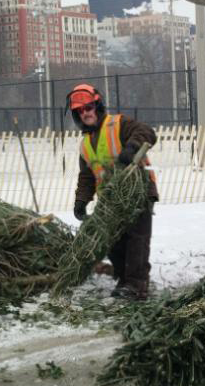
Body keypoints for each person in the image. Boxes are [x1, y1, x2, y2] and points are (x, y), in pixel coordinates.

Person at [68, 83, 158, 300]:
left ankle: (136, 285)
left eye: (88, 107)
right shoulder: (85, 145)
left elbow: (147, 132)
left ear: (97, 106)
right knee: (113, 240)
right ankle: (123, 279)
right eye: (80, 111)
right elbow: (87, 176)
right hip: (111, 200)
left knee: (136, 239)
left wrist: (132, 147)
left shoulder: (118, 124)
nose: (85, 113)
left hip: (138, 192)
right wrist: (81, 201)